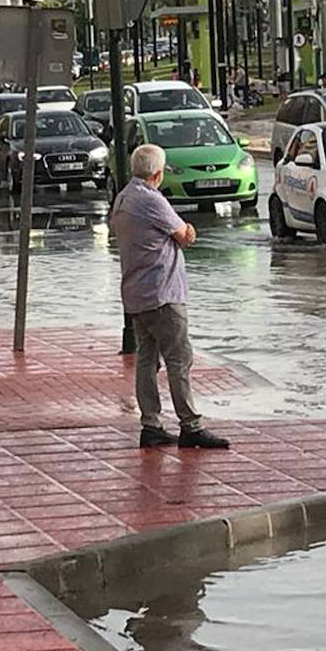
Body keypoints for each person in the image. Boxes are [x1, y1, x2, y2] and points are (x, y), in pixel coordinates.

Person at [109, 143, 229, 450]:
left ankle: (151, 424)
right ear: (158, 174)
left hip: (136, 293)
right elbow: (184, 235)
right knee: (179, 359)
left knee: (147, 359)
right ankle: (191, 425)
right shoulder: (152, 200)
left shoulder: (123, 198)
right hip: (162, 294)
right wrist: (187, 229)